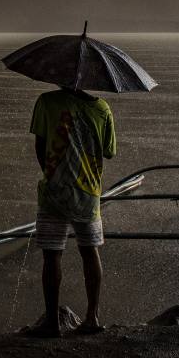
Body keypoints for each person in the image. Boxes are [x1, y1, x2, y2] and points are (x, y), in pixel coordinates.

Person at [24, 85, 117, 338]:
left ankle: (52, 322)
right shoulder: (102, 109)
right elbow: (108, 151)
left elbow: (40, 145)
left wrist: (51, 173)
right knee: (90, 251)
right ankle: (92, 317)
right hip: (89, 194)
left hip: (55, 193)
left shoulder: (47, 101)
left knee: (52, 255)